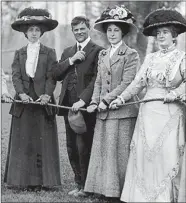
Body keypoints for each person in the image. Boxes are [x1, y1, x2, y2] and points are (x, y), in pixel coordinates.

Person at [110, 8, 186, 202]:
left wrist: (175, 94)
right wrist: (121, 99)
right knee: (145, 154)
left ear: (174, 35)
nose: (161, 36)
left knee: (165, 155)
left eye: (165, 32)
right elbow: (137, 83)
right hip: (148, 112)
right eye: (158, 33)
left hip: (169, 112)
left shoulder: (182, 57)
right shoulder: (151, 58)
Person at [84, 5, 140, 199]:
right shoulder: (102, 54)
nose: (112, 33)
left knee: (118, 154)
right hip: (102, 111)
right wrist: (93, 101)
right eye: (109, 30)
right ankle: (102, 189)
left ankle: (119, 192)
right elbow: (99, 81)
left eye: (116, 30)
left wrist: (106, 100)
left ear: (123, 32)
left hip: (122, 110)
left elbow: (128, 82)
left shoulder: (131, 54)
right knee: (103, 151)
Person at [4, 7, 61, 191]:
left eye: (37, 30)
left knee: (42, 141)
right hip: (24, 103)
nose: (34, 33)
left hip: (42, 102)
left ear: (41, 32)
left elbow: (52, 76)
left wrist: (46, 95)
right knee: (24, 140)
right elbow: (15, 76)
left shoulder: (50, 52)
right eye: (31, 30)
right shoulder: (19, 53)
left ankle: (42, 181)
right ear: (25, 33)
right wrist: (21, 93)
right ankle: (22, 180)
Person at [52, 16, 103, 197]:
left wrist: (83, 99)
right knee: (71, 146)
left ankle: (87, 186)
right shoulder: (68, 51)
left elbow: (98, 80)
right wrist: (71, 60)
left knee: (84, 146)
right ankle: (78, 184)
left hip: (85, 107)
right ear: (72, 31)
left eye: (82, 28)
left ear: (88, 28)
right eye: (76, 30)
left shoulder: (98, 51)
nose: (79, 32)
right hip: (68, 107)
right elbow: (56, 74)